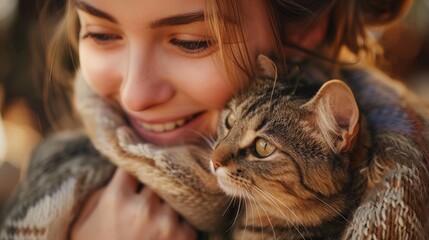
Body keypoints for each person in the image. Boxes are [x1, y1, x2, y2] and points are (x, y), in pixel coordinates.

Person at [1, 0, 428, 239]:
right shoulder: (55, 164)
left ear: (303, 31)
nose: (135, 94)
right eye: (101, 33)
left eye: (191, 42)